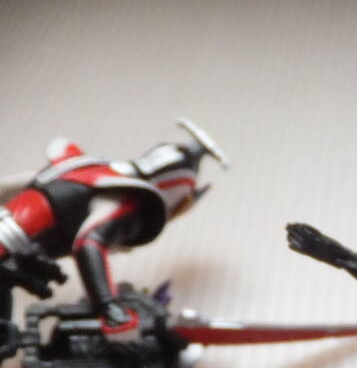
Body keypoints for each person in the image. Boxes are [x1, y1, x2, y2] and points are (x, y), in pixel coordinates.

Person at [0, 119, 226, 334]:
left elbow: (15, 184)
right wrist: (108, 306)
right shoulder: (121, 198)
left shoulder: (78, 166)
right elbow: (89, 242)